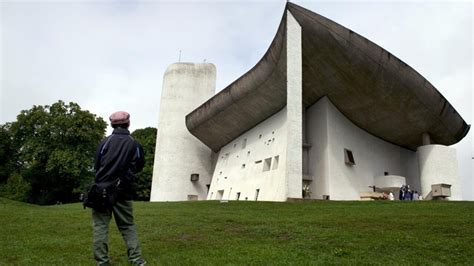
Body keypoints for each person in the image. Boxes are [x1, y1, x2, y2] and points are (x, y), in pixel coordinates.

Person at [92, 111, 146, 266]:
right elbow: (140, 164)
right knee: (127, 226)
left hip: (101, 190)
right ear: (128, 123)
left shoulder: (105, 142)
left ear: (112, 124)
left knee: (100, 227)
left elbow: (97, 164)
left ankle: (102, 262)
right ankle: (136, 260)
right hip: (124, 191)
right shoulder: (134, 143)